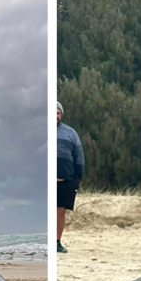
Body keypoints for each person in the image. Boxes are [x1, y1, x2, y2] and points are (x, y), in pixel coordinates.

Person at [56, 101, 84, 254]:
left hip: (65, 180)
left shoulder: (71, 133)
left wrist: (77, 178)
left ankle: (57, 242)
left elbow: (79, 156)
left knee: (60, 212)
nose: (55, 115)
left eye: (58, 112)